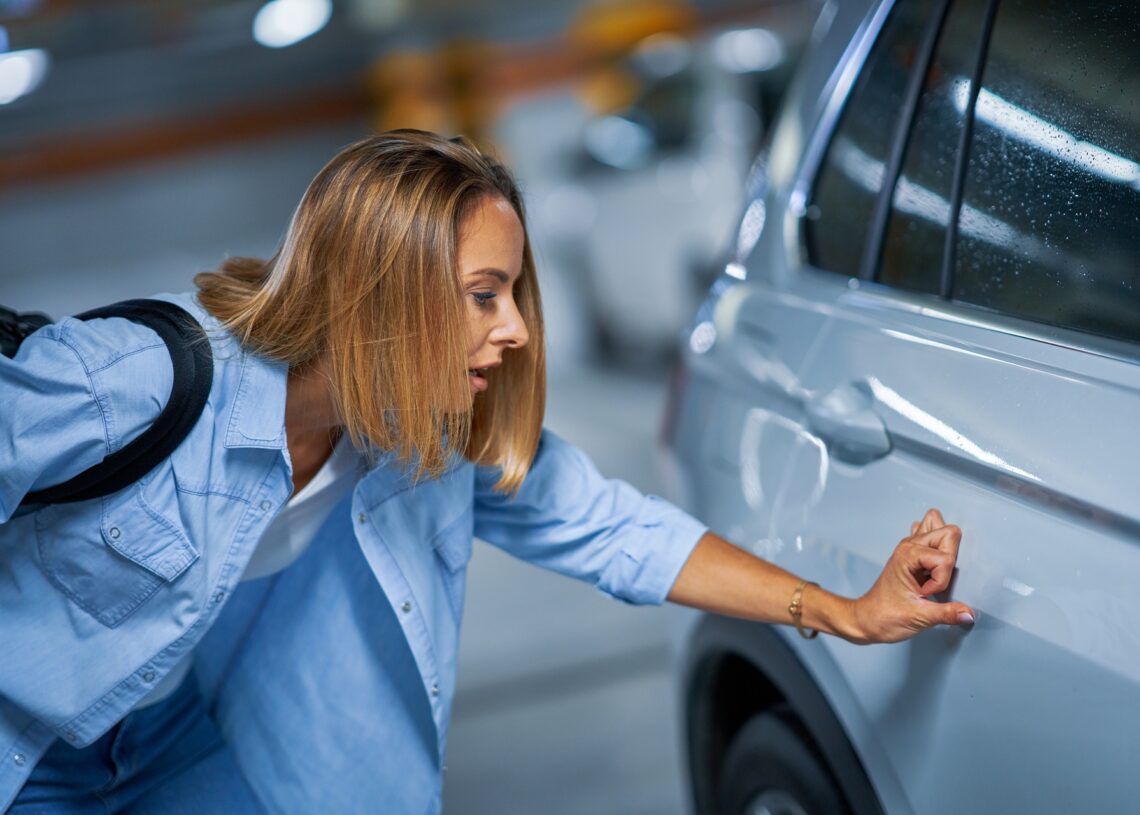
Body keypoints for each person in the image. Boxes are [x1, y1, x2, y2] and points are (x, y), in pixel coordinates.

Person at [0, 130, 974, 814]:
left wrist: (846, 609)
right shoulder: (134, 380)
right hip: (27, 749)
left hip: (172, 745)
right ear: (379, 283)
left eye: (511, 292)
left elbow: (615, 528)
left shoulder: (422, 434)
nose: (512, 328)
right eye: (483, 294)